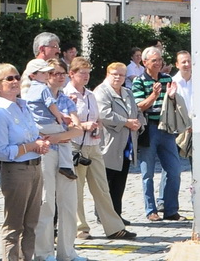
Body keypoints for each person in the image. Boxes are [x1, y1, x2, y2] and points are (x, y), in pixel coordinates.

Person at [0, 64, 55, 261]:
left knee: (31, 221)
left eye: (16, 77)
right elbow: (0, 151)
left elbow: (32, 136)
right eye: (9, 79)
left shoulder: (23, 106)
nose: (15, 81)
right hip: (16, 170)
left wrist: (40, 143)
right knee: (14, 222)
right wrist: (31, 146)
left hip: (34, 167)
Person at [22, 60, 82, 261]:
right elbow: (33, 128)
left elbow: (77, 129)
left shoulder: (65, 99)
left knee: (69, 201)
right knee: (46, 200)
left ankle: (68, 250)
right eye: (55, 73)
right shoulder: (35, 96)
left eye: (62, 73)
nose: (59, 76)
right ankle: (43, 251)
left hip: (64, 152)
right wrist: (60, 135)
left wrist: (57, 137)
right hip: (45, 153)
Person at [66, 58, 130, 242]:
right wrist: (83, 125)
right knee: (77, 189)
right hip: (75, 146)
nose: (86, 76)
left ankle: (114, 227)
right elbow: (63, 121)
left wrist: (96, 126)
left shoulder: (90, 94)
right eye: (82, 73)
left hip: (93, 145)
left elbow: (98, 117)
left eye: (88, 73)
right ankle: (81, 228)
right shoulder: (66, 95)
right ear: (72, 74)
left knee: (102, 187)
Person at [131, 47, 184, 221]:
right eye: (154, 60)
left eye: (160, 60)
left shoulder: (167, 78)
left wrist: (172, 96)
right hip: (149, 129)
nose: (158, 63)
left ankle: (170, 209)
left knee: (174, 170)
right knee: (147, 173)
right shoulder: (139, 81)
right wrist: (154, 96)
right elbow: (138, 106)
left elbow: (173, 104)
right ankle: (150, 210)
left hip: (167, 128)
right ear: (145, 62)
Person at [95, 62, 142, 224]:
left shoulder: (127, 92)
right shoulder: (101, 92)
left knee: (120, 182)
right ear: (107, 74)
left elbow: (137, 111)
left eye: (121, 75)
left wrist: (138, 122)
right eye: (115, 74)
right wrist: (126, 122)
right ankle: (103, 215)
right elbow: (104, 114)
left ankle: (116, 214)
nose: (118, 78)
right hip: (109, 143)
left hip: (126, 144)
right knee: (106, 181)